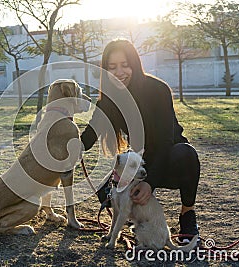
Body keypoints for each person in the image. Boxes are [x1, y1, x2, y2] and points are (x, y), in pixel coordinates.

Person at [80, 39, 200, 244]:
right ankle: (135, 215)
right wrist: (71, 148)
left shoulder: (157, 90)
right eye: (112, 67)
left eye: (125, 65)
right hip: (138, 163)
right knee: (105, 186)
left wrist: (150, 184)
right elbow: (91, 133)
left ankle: (187, 214)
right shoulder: (108, 100)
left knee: (186, 154)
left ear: (135, 64)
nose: (119, 72)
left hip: (169, 159)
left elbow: (165, 142)